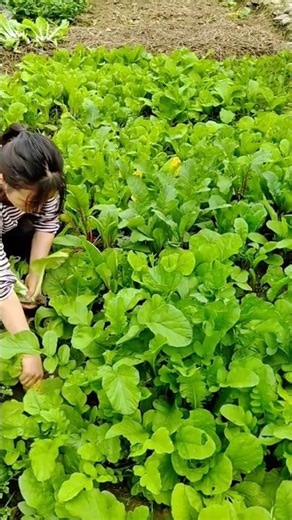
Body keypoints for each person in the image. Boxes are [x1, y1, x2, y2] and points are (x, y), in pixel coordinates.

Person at [0, 123, 65, 388]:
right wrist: (29, 348)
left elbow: (48, 223)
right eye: (31, 203)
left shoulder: (41, 178)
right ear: (3, 180)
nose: (38, 208)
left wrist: (34, 276)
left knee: (29, 229)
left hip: (6, 223)